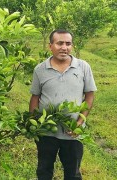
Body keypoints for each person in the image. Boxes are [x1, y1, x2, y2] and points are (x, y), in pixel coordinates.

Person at [29, 29, 97, 180]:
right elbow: (35, 97)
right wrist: (34, 125)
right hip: (46, 131)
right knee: (44, 170)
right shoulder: (40, 69)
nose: (64, 47)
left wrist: (79, 123)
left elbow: (89, 96)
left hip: (73, 133)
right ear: (50, 46)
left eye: (68, 43)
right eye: (59, 43)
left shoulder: (83, 67)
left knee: (73, 173)